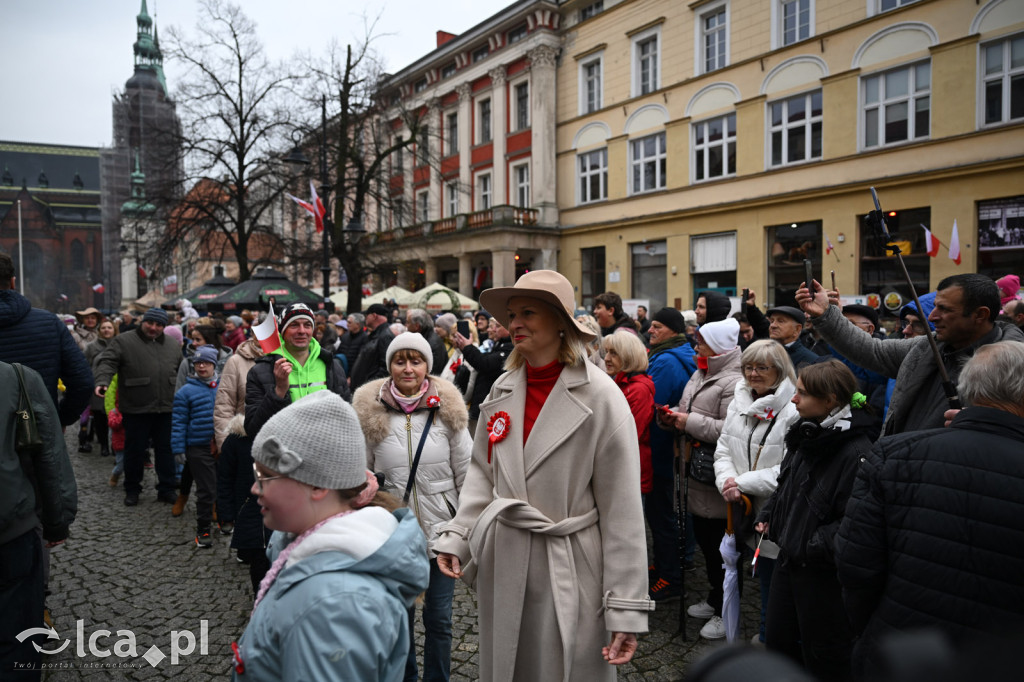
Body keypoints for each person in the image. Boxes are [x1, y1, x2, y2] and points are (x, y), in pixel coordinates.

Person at [435, 271, 651, 681]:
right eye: (512, 314)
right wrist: (460, 537)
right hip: (506, 557)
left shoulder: (602, 396)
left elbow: (622, 511)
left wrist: (625, 607)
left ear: (560, 322)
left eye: (528, 312)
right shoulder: (501, 388)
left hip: (569, 561)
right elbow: (482, 475)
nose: (514, 323)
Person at [836, 342, 1024, 679]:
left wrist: (874, 627)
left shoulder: (893, 453)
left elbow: (855, 563)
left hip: (898, 654)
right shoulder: (894, 454)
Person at [232, 391, 430, 681]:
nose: (254, 488)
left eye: (265, 476)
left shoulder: (335, 605)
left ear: (317, 486)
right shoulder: (300, 553)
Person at [353, 332, 473, 682]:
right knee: (399, 617)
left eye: (416, 360)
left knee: (440, 619)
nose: (408, 368)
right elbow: (360, 477)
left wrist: (462, 529)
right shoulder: (369, 411)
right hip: (393, 534)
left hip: (442, 533)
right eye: (400, 360)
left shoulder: (448, 410)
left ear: (427, 366)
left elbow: (468, 474)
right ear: (389, 365)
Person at [754, 360, 873, 680]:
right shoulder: (805, 433)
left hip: (822, 576)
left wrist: (810, 545)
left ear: (831, 400)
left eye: (803, 394)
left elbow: (855, 522)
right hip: (789, 562)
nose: (793, 399)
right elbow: (786, 485)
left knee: (823, 655)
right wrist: (770, 514)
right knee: (778, 643)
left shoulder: (855, 452)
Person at [796, 273, 1024, 436]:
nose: (932, 317)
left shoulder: (1013, 365)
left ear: (980, 315)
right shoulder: (927, 347)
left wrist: (990, 425)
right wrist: (825, 314)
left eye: (944, 309)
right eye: (935, 306)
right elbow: (872, 350)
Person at [658, 318, 744, 641]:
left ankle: (727, 608)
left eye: (703, 343)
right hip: (695, 472)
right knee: (708, 543)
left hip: (716, 474)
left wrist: (687, 421)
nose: (697, 347)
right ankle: (714, 596)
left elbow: (729, 429)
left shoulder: (733, 382)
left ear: (719, 347)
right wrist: (672, 418)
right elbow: (687, 410)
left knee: (720, 547)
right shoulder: (701, 371)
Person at [714, 339, 801, 644]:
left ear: (779, 370)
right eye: (748, 367)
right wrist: (727, 482)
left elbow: (790, 469)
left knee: (772, 581)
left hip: (776, 512)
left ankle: (770, 641)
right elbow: (723, 448)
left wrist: (742, 483)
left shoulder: (793, 409)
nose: (752, 373)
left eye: (762, 367)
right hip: (740, 506)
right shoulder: (739, 401)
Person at [0, 361, 77, 681]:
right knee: (15, 634)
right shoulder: (18, 378)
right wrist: (56, 520)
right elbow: (49, 458)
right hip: (10, 530)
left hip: (11, 527)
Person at [93, 307, 183, 507]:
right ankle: (132, 489)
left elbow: (181, 370)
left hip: (166, 407)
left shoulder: (172, 345)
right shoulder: (124, 341)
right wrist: (102, 381)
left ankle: (166, 488)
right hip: (136, 406)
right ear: (143, 321)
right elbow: (107, 362)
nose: (153, 328)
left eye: (159, 325)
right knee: (134, 451)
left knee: (166, 450)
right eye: (150, 323)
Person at [0, 253, 93, 427]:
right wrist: (58, 420)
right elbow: (83, 383)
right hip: (38, 434)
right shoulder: (49, 323)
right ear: (13, 282)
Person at [645, 306, 698, 601]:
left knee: (662, 514)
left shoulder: (666, 361)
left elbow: (654, 404)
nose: (651, 330)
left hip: (661, 449)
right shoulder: (683, 353)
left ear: (674, 331)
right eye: (651, 325)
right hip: (674, 449)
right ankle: (667, 564)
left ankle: (669, 577)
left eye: (657, 326)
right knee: (668, 511)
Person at [244, 303, 350, 440]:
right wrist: (279, 391)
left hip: (326, 455)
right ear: (282, 331)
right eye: (294, 325)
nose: (302, 331)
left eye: (307, 325)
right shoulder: (260, 371)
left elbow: (347, 418)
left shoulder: (332, 366)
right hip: (284, 456)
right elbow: (253, 428)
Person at [215, 333, 269, 592]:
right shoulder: (236, 362)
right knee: (245, 494)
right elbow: (224, 403)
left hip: (276, 436)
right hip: (243, 433)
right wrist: (224, 439)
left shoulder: (290, 359)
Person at [171, 345, 220, 548]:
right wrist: (178, 449)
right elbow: (178, 422)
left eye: (206, 362)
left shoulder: (223, 386)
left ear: (214, 365)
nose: (201, 366)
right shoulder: (185, 392)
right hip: (197, 445)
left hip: (219, 444)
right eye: (198, 363)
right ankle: (203, 529)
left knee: (220, 484)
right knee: (206, 489)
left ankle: (225, 518)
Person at [602, 330, 656, 497]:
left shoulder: (637, 389)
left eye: (614, 353)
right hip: (621, 468)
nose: (607, 358)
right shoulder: (622, 383)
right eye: (607, 352)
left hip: (630, 472)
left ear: (628, 356)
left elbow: (629, 435)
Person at [452, 316, 514, 436]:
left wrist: (467, 347)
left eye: (498, 326)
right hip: (482, 405)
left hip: (490, 410)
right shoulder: (498, 344)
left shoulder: (509, 348)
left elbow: (485, 364)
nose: (494, 329)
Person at [82, 319, 118, 457]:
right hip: (97, 387)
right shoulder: (91, 347)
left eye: (109, 327)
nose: (106, 330)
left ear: (114, 330)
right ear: (99, 330)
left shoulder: (120, 345)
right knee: (100, 420)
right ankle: (104, 445)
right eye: (103, 328)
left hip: (116, 387)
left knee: (116, 419)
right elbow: (85, 366)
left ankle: (116, 446)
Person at [350, 304, 396, 389]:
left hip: (369, 389)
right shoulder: (377, 334)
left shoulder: (385, 336)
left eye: (367, 315)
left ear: (374, 316)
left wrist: (370, 385)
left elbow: (386, 367)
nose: (365, 318)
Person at [406, 308, 447, 376]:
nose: (406, 326)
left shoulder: (432, 343)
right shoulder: (425, 339)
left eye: (408, 322)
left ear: (417, 326)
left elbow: (432, 373)